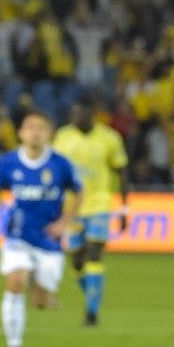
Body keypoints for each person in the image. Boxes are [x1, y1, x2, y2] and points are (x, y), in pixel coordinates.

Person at [0, 111, 82, 347]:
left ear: (49, 134)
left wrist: (63, 222)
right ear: (21, 133)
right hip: (18, 235)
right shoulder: (8, 162)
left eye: (41, 128)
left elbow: (78, 192)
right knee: (15, 283)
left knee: (40, 302)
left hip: (49, 239)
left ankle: (44, 294)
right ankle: (14, 346)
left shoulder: (60, 164)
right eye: (30, 127)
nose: (35, 133)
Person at [52, 99, 129, 327]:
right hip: (72, 206)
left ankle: (91, 313)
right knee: (76, 261)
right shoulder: (62, 138)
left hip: (99, 204)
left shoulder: (109, 138)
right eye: (73, 112)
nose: (75, 117)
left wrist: (124, 209)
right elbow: (55, 173)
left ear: (91, 113)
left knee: (94, 254)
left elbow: (122, 171)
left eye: (80, 112)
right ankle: (93, 296)